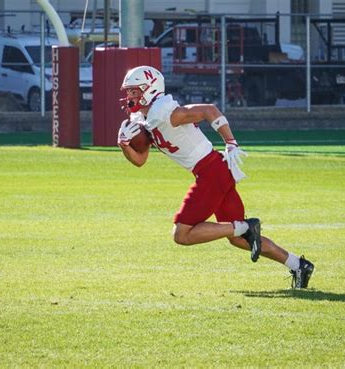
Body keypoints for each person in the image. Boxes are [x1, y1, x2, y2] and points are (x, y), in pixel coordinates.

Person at [117, 65, 314, 289]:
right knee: (239, 239)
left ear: (149, 89)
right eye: (129, 91)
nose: (129, 96)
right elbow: (140, 161)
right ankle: (298, 265)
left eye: (134, 91)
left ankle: (245, 227)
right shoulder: (146, 119)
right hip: (215, 172)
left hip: (211, 171)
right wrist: (123, 145)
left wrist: (230, 142)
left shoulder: (166, 112)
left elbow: (209, 110)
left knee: (182, 234)